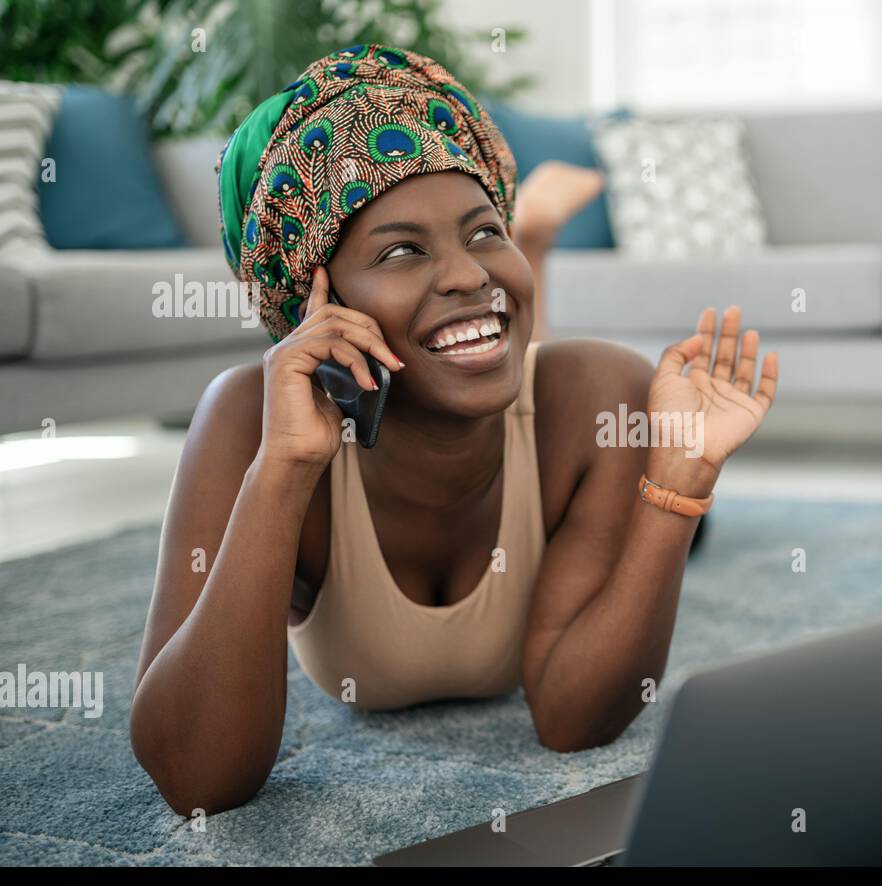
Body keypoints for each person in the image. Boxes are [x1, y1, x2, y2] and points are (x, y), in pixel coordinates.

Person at [129, 44, 778, 816]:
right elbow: (196, 779)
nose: (470, 273)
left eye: (484, 233)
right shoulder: (247, 419)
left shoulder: (599, 394)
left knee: (693, 532)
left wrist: (676, 490)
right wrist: (283, 469)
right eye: (403, 250)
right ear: (315, 305)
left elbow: (574, 718)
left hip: (569, 462)